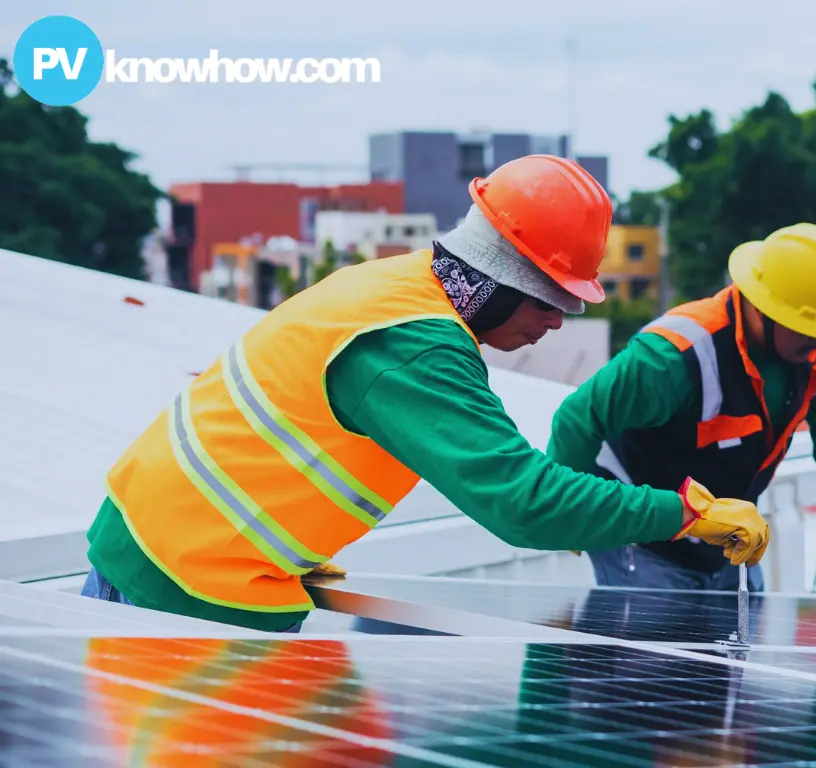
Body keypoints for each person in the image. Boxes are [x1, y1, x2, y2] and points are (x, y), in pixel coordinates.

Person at [78, 155, 769, 632]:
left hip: (165, 542)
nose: (557, 322)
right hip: (184, 579)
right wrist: (684, 512)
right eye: (552, 300)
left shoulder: (397, 285)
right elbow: (522, 503)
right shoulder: (416, 346)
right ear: (505, 277)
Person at [546, 222, 816, 620]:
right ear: (763, 308)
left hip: (729, 543)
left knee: (728, 669)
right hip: (645, 541)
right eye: (809, 329)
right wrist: (570, 516)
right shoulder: (675, 354)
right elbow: (577, 418)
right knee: (658, 666)